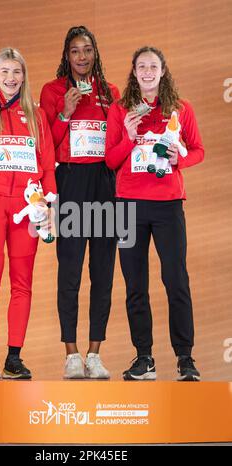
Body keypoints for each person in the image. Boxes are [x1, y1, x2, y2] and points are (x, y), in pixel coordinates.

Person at [105, 46, 204, 382]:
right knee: (135, 284)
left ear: (163, 71)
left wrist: (180, 159)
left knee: (176, 279)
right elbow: (110, 160)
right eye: (141, 66)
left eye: (153, 66)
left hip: (168, 204)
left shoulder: (180, 109)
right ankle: (144, 356)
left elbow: (198, 150)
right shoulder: (121, 110)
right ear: (134, 72)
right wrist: (130, 137)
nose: (147, 71)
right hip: (128, 204)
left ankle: (185, 357)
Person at [0, 47, 57, 380]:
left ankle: (14, 357)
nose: (10, 78)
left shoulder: (37, 114)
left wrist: (47, 205)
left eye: (16, 72)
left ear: (23, 76)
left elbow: (47, 166)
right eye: (4, 71)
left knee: (23, 283)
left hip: (26, 206)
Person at [40, 26, 120, 379]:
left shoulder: (111, 92)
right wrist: (64, 112)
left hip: (104, 183)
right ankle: (71, 353)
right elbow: (47, 144)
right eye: (75, 51)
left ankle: (95, 352)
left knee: (102, 271)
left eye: (87, 49)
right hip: (70, 180)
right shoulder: (53, 90)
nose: (82, 57)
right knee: (70, 270)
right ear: (67, 55)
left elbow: (117, 145)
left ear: (95, 53)